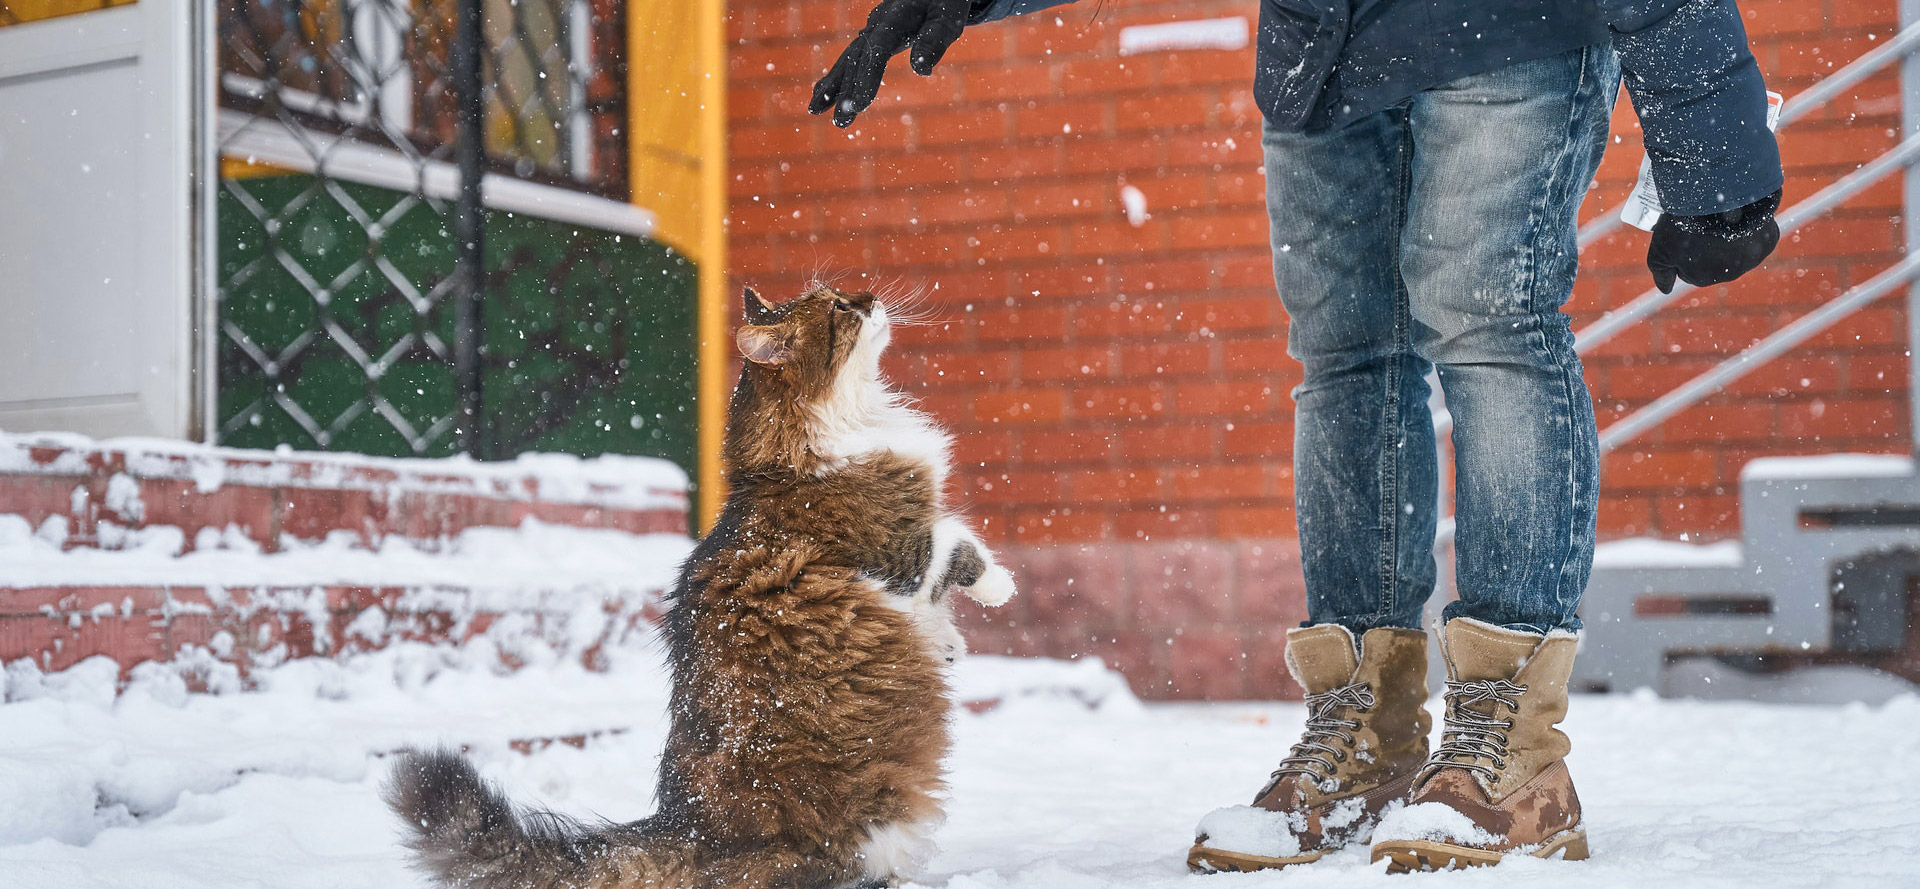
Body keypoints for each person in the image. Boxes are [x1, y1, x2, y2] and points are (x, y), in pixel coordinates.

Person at [810, 0, 1783, 872]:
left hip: (1512, 35)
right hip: (1323, 54)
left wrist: (1716, 158)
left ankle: (1511, 743)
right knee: (1346, 358)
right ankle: (1364, 723)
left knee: (1491, 328)